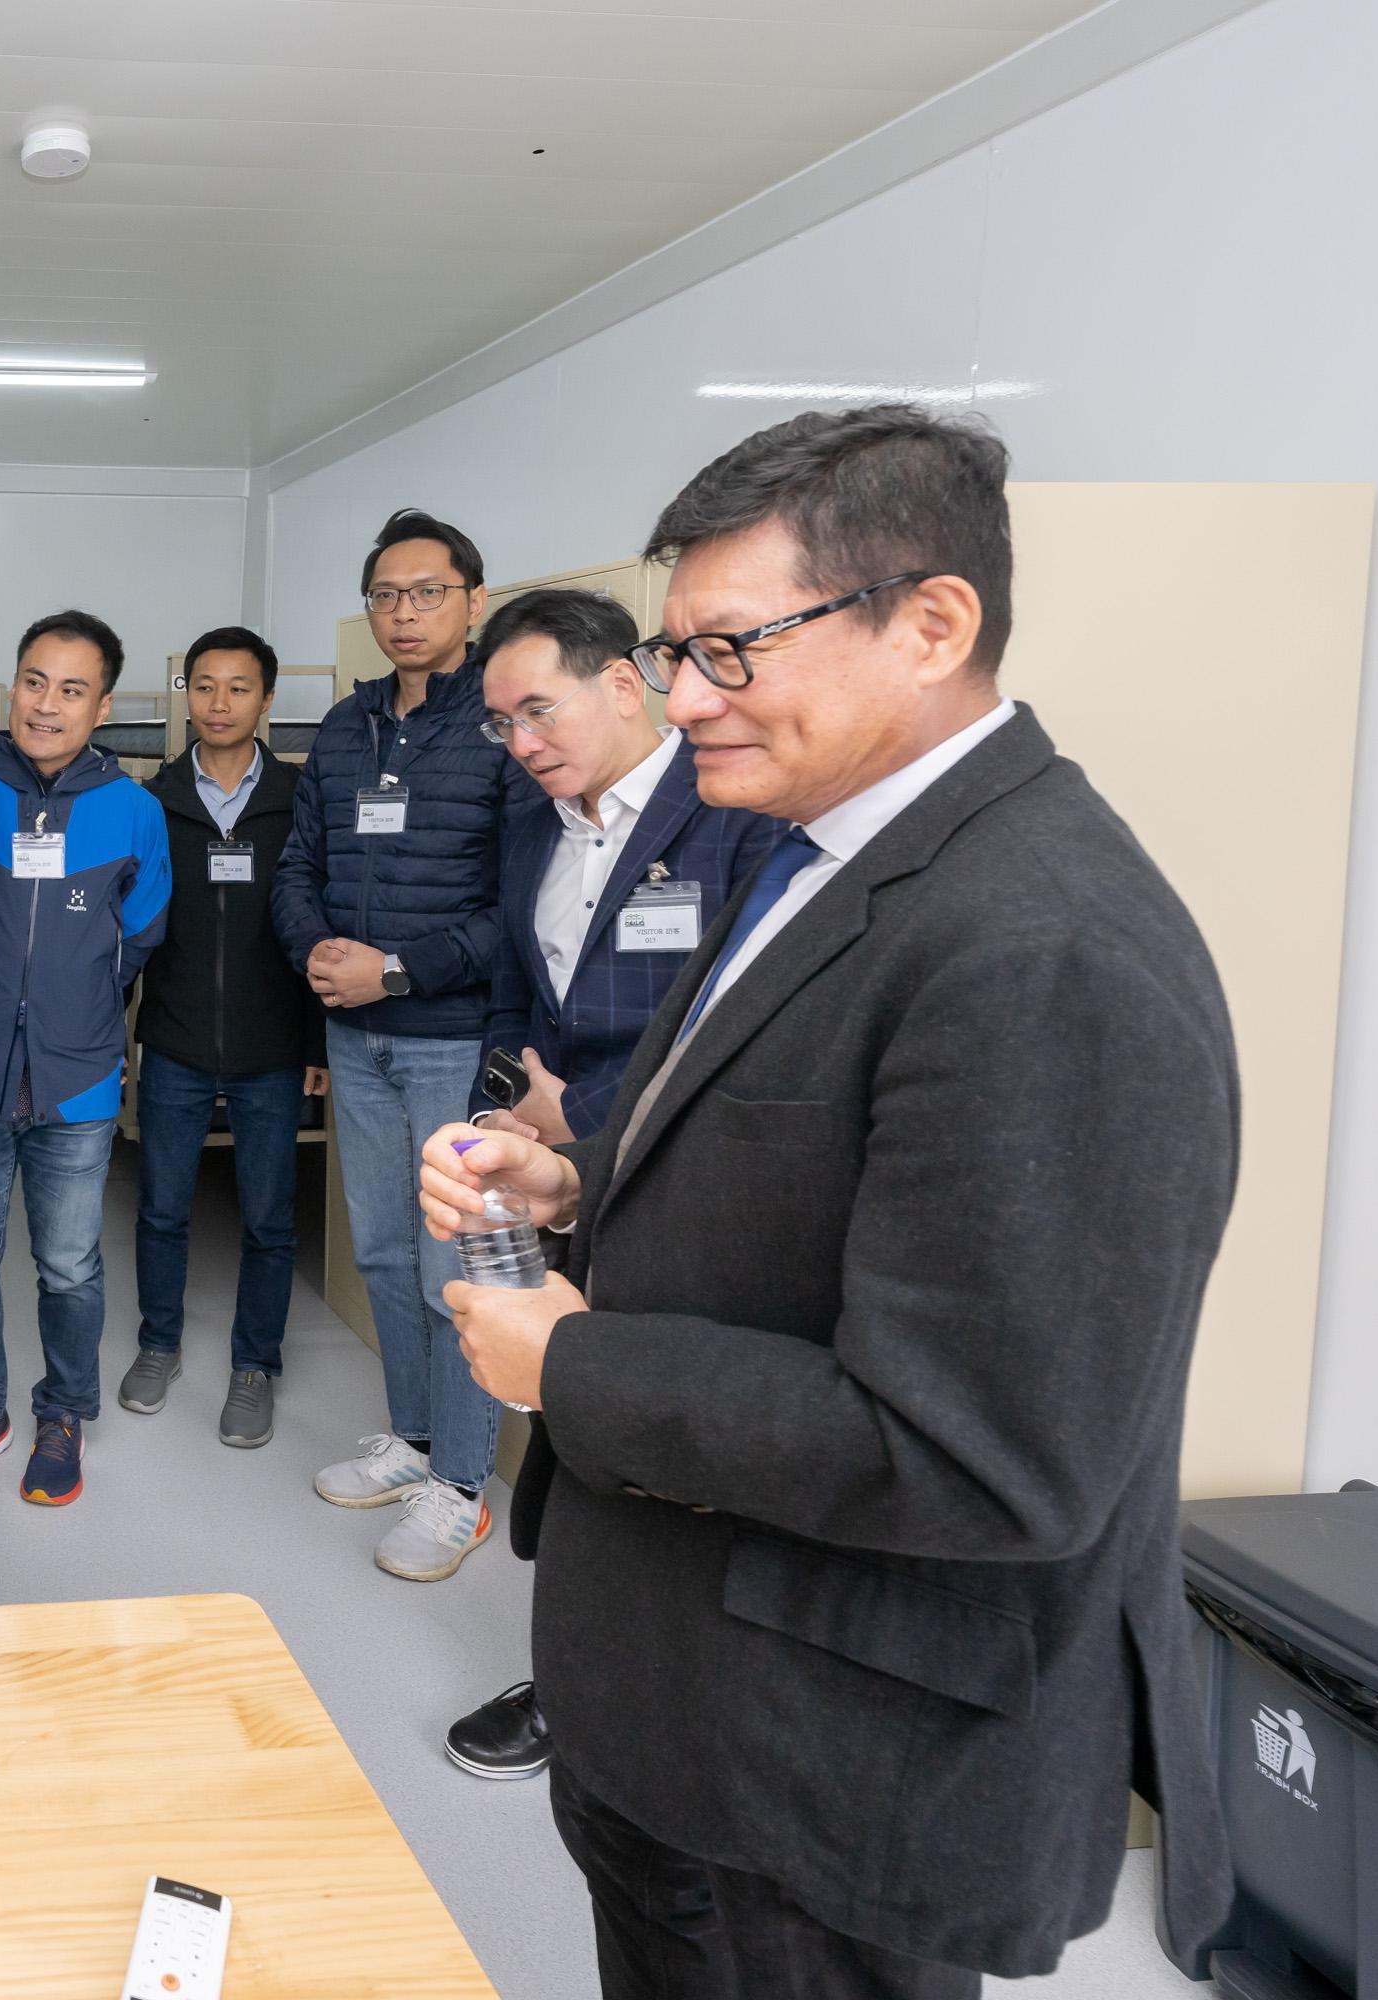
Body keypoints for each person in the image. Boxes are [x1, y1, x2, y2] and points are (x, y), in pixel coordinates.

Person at [418, 407, 1236, 1994]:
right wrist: (574, 1179)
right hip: (687, 1695)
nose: (684, 701)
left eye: (732, 650)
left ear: (933, 623)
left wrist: (566, 1365)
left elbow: (984, 1449)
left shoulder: (1041, 945)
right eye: (672, 654)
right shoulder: (813, 857)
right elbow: (791, 1175)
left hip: (819, 1762)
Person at [440, 588, 785, 1780]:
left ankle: (659, 1696)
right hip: (559, 1181)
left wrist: (578, 1121)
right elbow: (520, 991)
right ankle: (575, 1675)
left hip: (679, 1182)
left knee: (665, 1444)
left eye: (538, 709)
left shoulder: (731, 814)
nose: (522, 742)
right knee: (574, 1436)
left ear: (624, 684)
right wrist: (503, 1106)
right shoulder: (535, 826)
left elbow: (741, 1028)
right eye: (502, 723)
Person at [272, 508, 522, 1582]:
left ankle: (464, 1487)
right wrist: (319, 950)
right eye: (386, 594)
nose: (404, 612)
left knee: (449, 1267)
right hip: (356, 1030)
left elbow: (515, 907)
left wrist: (400, 969)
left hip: (449, 1041)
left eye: (427, 592)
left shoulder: (504, 722)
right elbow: (298, 863)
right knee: (378, 1247)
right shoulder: (347, 721)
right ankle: (415, 1440)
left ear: (473, 596)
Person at [0, 610, 170, 1507]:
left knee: (70, 1264)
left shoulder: (136, 813)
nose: (47, 704)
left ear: (101, 705)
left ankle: (63, 1412)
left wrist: (77, 1006)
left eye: (72, 689)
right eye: (35, 681)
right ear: (12, 686)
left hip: (78, 1076)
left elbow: (140, 935)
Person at [120, 626, 327, 1448]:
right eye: (203, 687)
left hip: (272, 1043)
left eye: (237, 688)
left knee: (270, 1219)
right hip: (170, 1037)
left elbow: (322, 923)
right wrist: (119, 1033)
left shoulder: (299, 799)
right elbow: (129, 921)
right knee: (162, 1208)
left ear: (266, 699)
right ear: (187, 696)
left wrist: (315, 1040)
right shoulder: (154, 800)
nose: (218, 704)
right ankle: (158, 1343)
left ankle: (255, 1365)